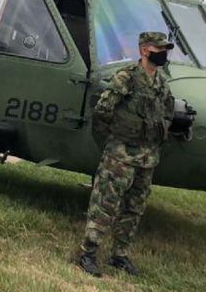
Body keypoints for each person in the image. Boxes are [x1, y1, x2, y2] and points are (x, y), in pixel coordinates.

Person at [75, 31, 175, 277]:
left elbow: (167, 113)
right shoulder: (126, 77)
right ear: (144, 50)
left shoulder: (161, 83)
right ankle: (87, 253)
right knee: (105, 203)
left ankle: (119, 255)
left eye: (164, 49)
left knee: (134, 207)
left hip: (146, 157)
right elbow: (103, 110)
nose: (163, 54)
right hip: (120, 155)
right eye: (158, 49)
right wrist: (113, 141)